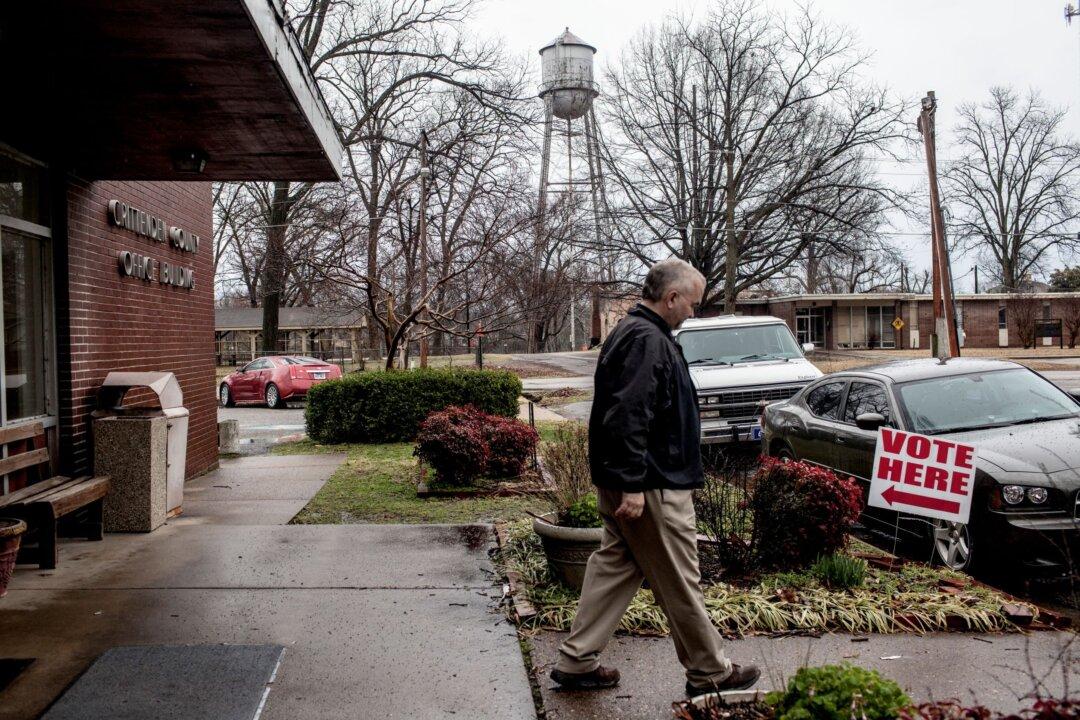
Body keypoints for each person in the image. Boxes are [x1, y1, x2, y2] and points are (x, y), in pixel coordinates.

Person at [549, 258, 760, 697]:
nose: (693, 313)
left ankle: (575, 661)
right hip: (652, 485)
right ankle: (710, 673)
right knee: (680, 579)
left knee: (615, 568)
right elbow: (628, 414)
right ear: (672, 298)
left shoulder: (637, 333)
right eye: (693, 304)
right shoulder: (647, 340)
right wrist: (634, 484)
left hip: (635, 479)